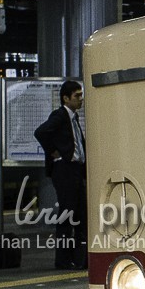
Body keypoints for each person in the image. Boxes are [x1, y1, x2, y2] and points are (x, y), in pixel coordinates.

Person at [35, 80, 87, 270]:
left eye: (81, 95)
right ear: (66, 98)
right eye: (77, 96)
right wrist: (53, 151)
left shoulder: (73, 118)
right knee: (68, 214)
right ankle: (64, 259)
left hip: (75, 169)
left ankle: (80, 258)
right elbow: (40, 132)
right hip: (65, 170)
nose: (80, 100)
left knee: (80, 214)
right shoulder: (60, 115)